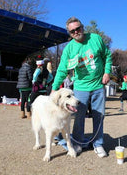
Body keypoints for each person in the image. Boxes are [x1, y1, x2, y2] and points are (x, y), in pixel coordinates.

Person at [51, 17, 112, 158]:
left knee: (99, 116)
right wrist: (54, 88)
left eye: (78, 28)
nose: (76, 32)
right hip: (80, 88)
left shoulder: (95, 39)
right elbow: (62, 70)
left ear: (82, 27)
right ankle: (77, 143)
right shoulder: (69, 49)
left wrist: (107, 72)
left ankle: (98, 144)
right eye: (72, 31)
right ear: (70, 33)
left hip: (98, 85)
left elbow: (107, 56)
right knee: (79, 117)